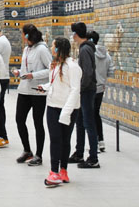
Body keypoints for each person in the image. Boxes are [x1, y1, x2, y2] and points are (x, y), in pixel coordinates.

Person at [41, 37, 82, 187]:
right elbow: (55, 84)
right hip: (52, 106)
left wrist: (66, 111)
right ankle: (54, 171)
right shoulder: (56, 64)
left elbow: (75, 90)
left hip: (68, 109)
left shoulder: (73, 67)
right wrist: (45, 87)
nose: (51, 49)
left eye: (53, 46)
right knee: (55, 139)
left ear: (58, 48)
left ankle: (62, 170)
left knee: (65, 140)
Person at [12, 24, 50, 166]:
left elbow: (50, 69)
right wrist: (20, 73)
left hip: (37, 92)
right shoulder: (27, 49)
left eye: (23, 34)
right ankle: (27, 150)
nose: (22, 37)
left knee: (37, 123)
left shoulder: (42, 49)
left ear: (27, 35)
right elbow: (25, 68)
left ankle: (39, 155)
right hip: (24, 90)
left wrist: (33, 75)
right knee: (19, 119)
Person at [69, 22, 99, 168]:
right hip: (84, 90)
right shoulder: (85, 48)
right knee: (80, 122)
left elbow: (87, 73)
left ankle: (93, 158)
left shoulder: (85, 49)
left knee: (88, 123)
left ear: (75, 34)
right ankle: (79, 153)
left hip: (86, 91)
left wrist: (79, 89)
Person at [88, 30, 114, 152]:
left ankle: (94, 143)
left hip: (90, 88)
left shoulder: (89, 54)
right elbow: (111, 72)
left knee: (89, 116)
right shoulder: (107, 55)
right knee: (96, 114)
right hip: (101, 89)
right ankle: (101, 141)